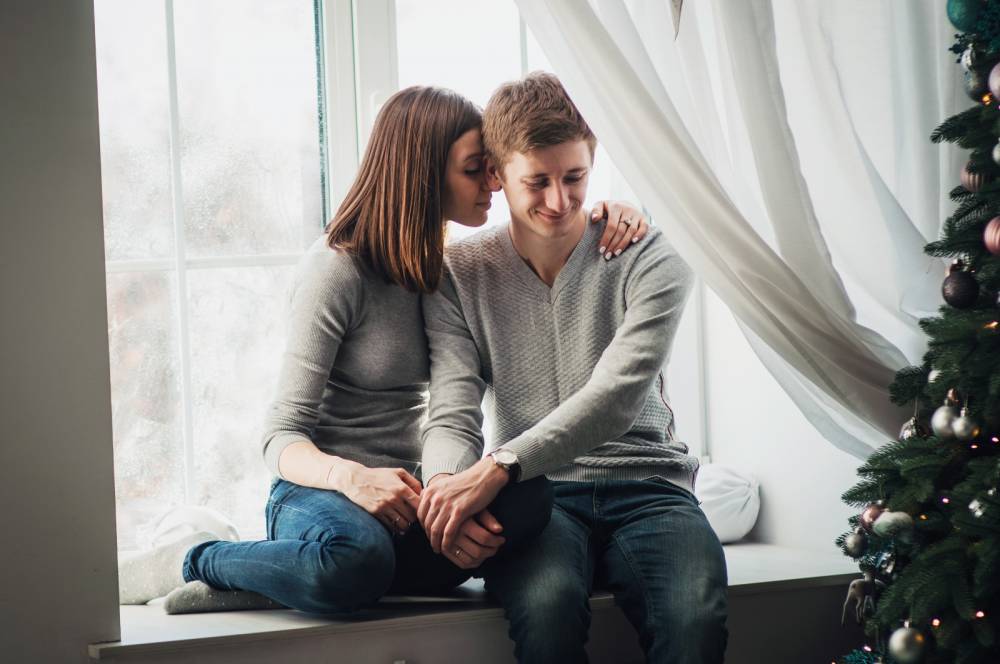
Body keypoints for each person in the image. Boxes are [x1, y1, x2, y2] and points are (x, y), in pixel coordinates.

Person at [116, 84, 648, 614]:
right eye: (474, 169)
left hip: (403, 501)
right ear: (425, 173)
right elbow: (280, 435)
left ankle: (301, 575)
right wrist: (351, 478)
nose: (493, 181)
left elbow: (451, 409)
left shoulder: (444, 272)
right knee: (359, 557)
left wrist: (601, 220)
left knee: (531, 499)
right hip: (319, 494)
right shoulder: (336, 270)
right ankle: (195, 558)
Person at [417, 72, 728, 663]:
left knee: (694, 617)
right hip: (541, 497)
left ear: (593, 163)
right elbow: (452, 412)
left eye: (575, 177)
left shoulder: (650, 255)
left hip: (650, 487)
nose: (559, 201)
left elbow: (615, 398)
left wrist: (500, 465)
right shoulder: (458, 273)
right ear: (496, 175)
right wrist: (446, 490)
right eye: (537, 181)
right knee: (547, 610)